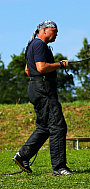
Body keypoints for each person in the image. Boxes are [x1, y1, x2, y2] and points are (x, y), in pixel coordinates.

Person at [12, 20, 73, 175]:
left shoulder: (31, 45)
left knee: (45, 127)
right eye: (55, 30)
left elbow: (28, 70)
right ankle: (59, 168)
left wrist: (37, 82)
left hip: (35, 87)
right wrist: (60, 64)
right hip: (44, 89)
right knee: (58, 126)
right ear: (44, 30)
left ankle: (22, 156)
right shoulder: (39, 45)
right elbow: (41, 67)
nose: (57, 34)